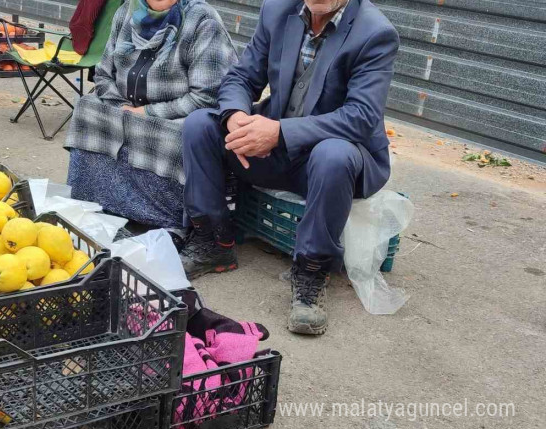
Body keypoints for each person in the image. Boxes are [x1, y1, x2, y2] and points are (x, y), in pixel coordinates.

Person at [180, 0, 399, 335]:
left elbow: (362, 116)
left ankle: (311, 272)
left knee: (333, 155)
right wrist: (236, 117)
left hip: (330, 163)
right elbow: (242, 76)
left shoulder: (375, 32)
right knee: (200, 126)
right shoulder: (278, 10)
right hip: (278, 146)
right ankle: (213, 243)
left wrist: (280, 132)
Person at [64, 0, 237, 230]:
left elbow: (207, 97)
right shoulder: (127, 11)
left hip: (175, 117)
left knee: (185, 135)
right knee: (86, 108)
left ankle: (163, 218)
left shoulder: (203, 21)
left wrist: (146, 112)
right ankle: (97, 200)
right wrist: (123, 109)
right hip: (125, 108)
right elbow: (104, 75)